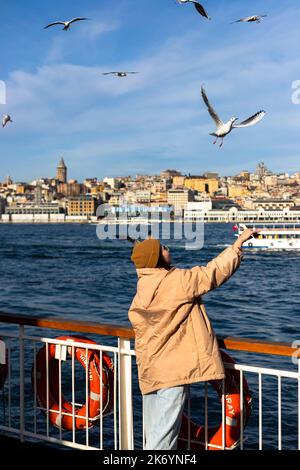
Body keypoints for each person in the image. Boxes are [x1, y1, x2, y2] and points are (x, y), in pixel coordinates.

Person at [128, 228, 259, 450]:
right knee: (164, 438)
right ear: (157, 258)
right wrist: (238, 245)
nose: (168, 249)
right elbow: (212, 273)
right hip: (172, 374)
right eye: (163, 248)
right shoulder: (176, 281)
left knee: (154, 432)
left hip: (150, 370)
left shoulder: (143, 286)